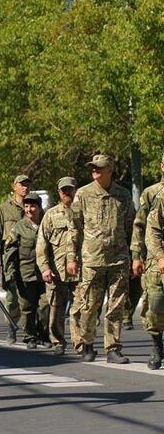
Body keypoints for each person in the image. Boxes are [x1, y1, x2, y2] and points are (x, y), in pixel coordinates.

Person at [67, 154, 135, 364]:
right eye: (93, 168)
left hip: (118, 259)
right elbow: (74, 228)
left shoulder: (123, 195)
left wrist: (134, 256)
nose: (94, 171)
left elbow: (131, 227)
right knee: (89, 304)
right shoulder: (83, 194)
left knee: (116, 305)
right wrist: (72, 257)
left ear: (110, 170)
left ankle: (113, 348)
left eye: (99, 168)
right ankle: (87, 344)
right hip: (92, 260)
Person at [36, 177, 80, 355]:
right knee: (56, 306)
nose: (66, 193)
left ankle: (80, 342)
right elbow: (41, 244)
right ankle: (58, 341)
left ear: (76, 190)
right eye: (63, 190)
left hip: (80, 268)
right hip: (56, 270)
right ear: (59, 192)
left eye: (69, 189)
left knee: (81, 307)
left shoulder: (83, 212)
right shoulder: (51, 215)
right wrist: (44, 267)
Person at [4, 192, 49, 350]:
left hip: (45, 273)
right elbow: (9, 251)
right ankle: (30, 336)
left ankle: (44, 334)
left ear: (39, 207)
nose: (30, 209)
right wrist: (9, 272)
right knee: (28, 308)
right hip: (25, 274)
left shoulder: (46, 223)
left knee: (44, 306)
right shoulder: (19, 227)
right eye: (27, 206)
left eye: (33, 206)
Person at [0, 174, 31, 343]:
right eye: (21, 184)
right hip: (11, 259)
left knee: (30, 296)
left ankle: (31, 332)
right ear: (14, 186)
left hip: (31, 258)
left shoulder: (34, 206)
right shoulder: (4, 209)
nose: (25, 187)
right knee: (12, 296)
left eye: (27, 184)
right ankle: (11, 327)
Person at [129, 153, 164, 332]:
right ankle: (157, 346)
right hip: (156, 260)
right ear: (162, 166)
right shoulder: (151, 193)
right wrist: (136, 256)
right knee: (155, 306)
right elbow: (140, 226)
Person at [142, 200, 164, 369]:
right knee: (155, 305)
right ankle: (157, 344)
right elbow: (151, 232)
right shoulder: (160, 200)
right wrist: (160, 256)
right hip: (159, 263)